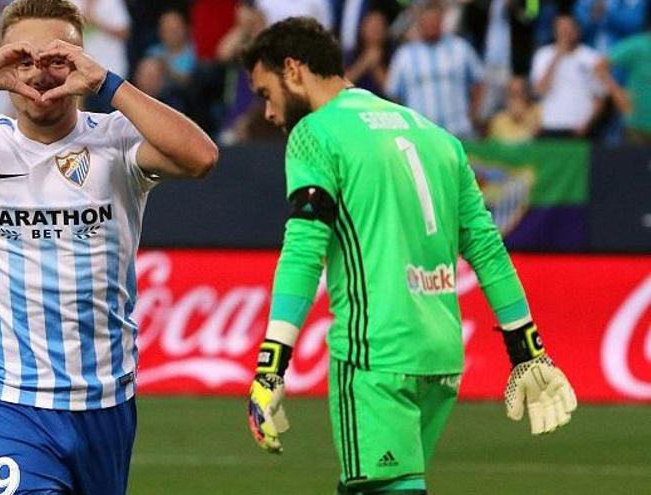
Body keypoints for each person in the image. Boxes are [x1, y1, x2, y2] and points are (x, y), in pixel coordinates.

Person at [0, 0, 217, 494]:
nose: (40, 74)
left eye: (57, 58)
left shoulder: (118, 141)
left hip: (105, 403)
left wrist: (108, 84)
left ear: (82, 61)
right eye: (23, 59)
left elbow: (201, 158)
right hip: (8, 403)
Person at [240, 17, 576, 495]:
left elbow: (303, 250)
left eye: (265, 92)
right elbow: (486, 248)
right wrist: (528, 351)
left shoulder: (314, 134)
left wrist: (271, 366)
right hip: (439, 357)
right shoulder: (434, 135)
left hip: (375, 355)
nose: (269, 113)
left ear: (293, 69)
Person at [385, 0, 485, 139]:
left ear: (442, 20)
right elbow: (393, 95)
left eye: (435, 19)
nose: (431, 24)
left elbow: (479, 83)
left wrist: (473, 117)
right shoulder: (404, 55)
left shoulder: (460, 48)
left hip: (458, 133)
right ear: (419, 21)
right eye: (427, 19)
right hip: (422, 136)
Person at [530, 14, 605, 138]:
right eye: (560, 30)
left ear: (577, 31)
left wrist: (588, 123)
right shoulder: (542, 55)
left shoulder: (592, 58)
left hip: (579, 128)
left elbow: (599, 96)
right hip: (550, 124)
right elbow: (539, 91)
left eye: (567, 29)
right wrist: (556, 58)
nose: (564, 34)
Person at [594, 24, 651, 145]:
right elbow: (600, 66)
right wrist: (617, 93)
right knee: (636, 162)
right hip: (638, 124)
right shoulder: (638, 45)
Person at [487, 76, 540, 143]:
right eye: (510, 93)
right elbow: (492, 144)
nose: (514, 98)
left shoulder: (536, 111)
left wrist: (521, 118)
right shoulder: (498, 119)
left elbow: (536, 136)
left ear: (526, 94)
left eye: (517, 93)